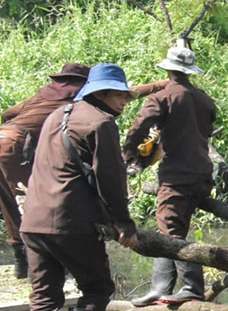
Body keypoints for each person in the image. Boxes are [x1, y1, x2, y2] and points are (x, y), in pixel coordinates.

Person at [20, 63, 141, 311]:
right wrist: (123, 223)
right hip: (69, 222)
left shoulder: (56, 116)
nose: (124, 102)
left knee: (44, 297)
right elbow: (110, 179)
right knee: (98, 287)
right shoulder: (101, 123)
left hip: (32, 221)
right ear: (101, 94)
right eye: (120, 96)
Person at [1, 64, 164, 279]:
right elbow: (128, 93)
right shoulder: (81, 99)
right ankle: (39, 262)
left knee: (13, 205)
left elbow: (8, 113)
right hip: (17, 146)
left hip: (4, 137)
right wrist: (161, 85)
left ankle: (24, 264)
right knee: (37, 199)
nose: (123, 99)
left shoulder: (46, 94)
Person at [123, 38, 217, 305]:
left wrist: (128, 155)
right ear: (189, 72)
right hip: (202, 173)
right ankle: (161, 287)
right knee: (169, 227)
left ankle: (192, 288)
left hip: (178, 176)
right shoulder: (204, 99)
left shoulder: (162, 97)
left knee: (170, 228)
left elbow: (140, 126)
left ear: (168, 70)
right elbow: (207, 129)